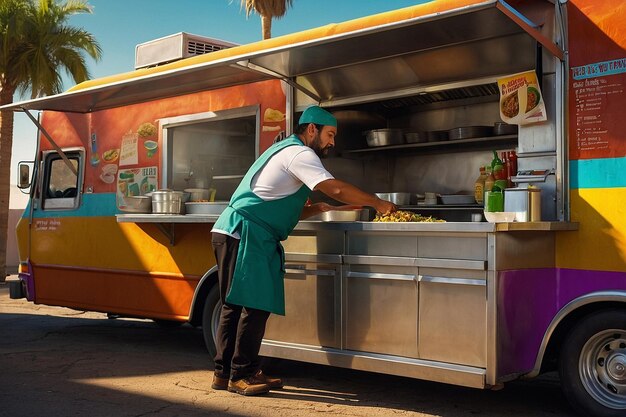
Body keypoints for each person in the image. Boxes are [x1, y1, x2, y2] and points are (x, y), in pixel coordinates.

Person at [210, 105, 397, 396]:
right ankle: (240, 375)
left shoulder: (285, 150)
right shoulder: (301, 153)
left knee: (235, 305)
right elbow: (332, 188)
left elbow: (281, 201)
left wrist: (317, 209)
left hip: (239, 230)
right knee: (254, 305)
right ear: (312, 129)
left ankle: (225, 374)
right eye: (330, 134)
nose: (333, 142)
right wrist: (377, 202)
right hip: (245, 231)